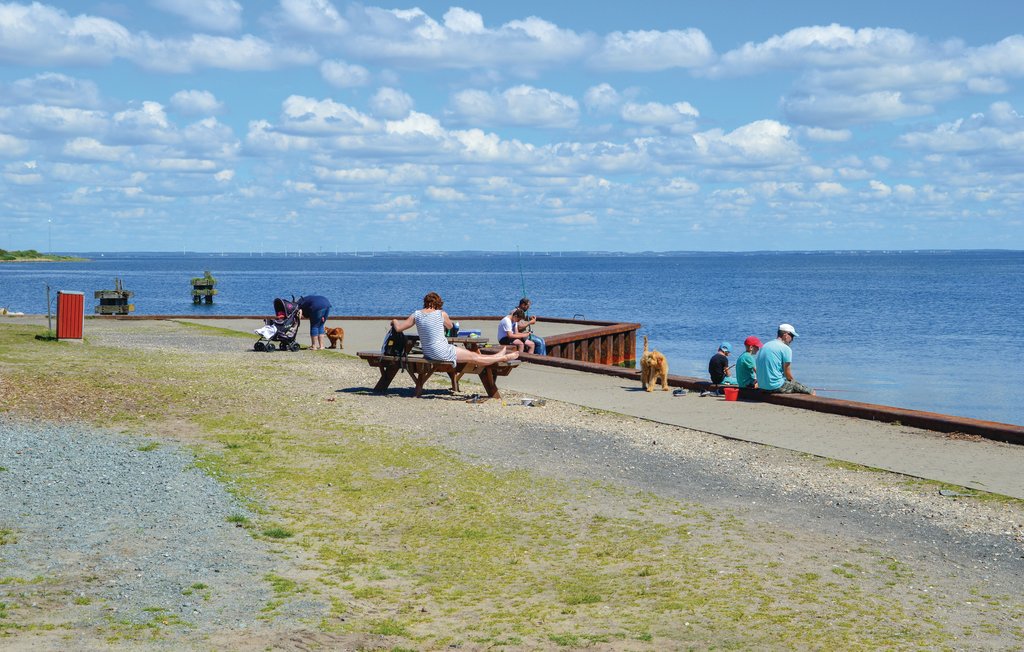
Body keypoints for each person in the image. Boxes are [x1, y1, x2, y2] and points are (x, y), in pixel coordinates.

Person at [391, 292, 519, 366]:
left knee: (473, 356)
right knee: (474, 357)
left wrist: (394, 321)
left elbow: (398, 328)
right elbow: (450, 326)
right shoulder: (441, 314)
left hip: (428, 352)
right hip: (442, 351)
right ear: (437, 303)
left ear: (425, 302)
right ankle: (502, 358)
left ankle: (499, 355)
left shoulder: (416, 314)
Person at [755, 323, 815, 395]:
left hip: (762, 386)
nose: (792, 339)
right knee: (811, 391)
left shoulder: (765, 346)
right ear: (785, 335)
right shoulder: (786, 349)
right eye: (792, 336)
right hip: (775, 386)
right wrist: (795, 384)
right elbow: (788, 374)